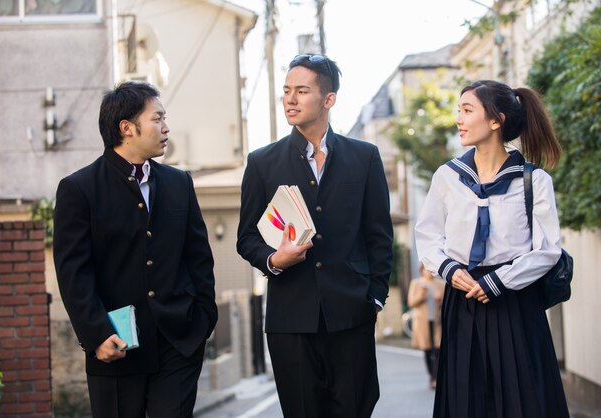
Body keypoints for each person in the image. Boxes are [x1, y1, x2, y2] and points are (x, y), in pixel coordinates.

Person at [237, 54, 393, 417]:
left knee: (356, 408)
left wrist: (375, 298)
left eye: (302, 91)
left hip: (351, 313)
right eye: (287, 91)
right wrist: (274, 260)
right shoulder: (262, 162)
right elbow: (247, 238)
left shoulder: (364, 157)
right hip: (290, 318)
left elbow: (379, 236)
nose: (290, 99)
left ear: (328, 99)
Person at [53, 81, 217, 418]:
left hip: (178, 342)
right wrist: (96, 334)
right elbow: (74, 274)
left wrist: (203, 318)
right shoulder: (78, 190)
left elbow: (198, 258)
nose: (166, 127)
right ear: (127, 128)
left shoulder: (179, 183)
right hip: (116, 346)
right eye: (157, 119)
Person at [415, 79, 569, 418]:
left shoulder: (533, 180)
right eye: (459, 110)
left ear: (496, 120)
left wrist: (500, 281)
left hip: (514, 301)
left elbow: (547, 250)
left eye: (467, 110)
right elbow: (427, 236)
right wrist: (450, 270)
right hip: (463, 299)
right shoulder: (448, 177)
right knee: (466, 400)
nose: (459, 119)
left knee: (522, 400)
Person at [407, 263, 445, 389]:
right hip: (423, 322)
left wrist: (439, 299)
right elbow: (411, 303)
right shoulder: (416, 284)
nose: (428, 272)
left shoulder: (441, 284)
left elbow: (446, 305)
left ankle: (438, 377)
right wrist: (421, 295)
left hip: (437, 321)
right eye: (426, 269)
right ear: (422, 271)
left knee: (438, 349)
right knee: (427, 350)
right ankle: (432, 377)